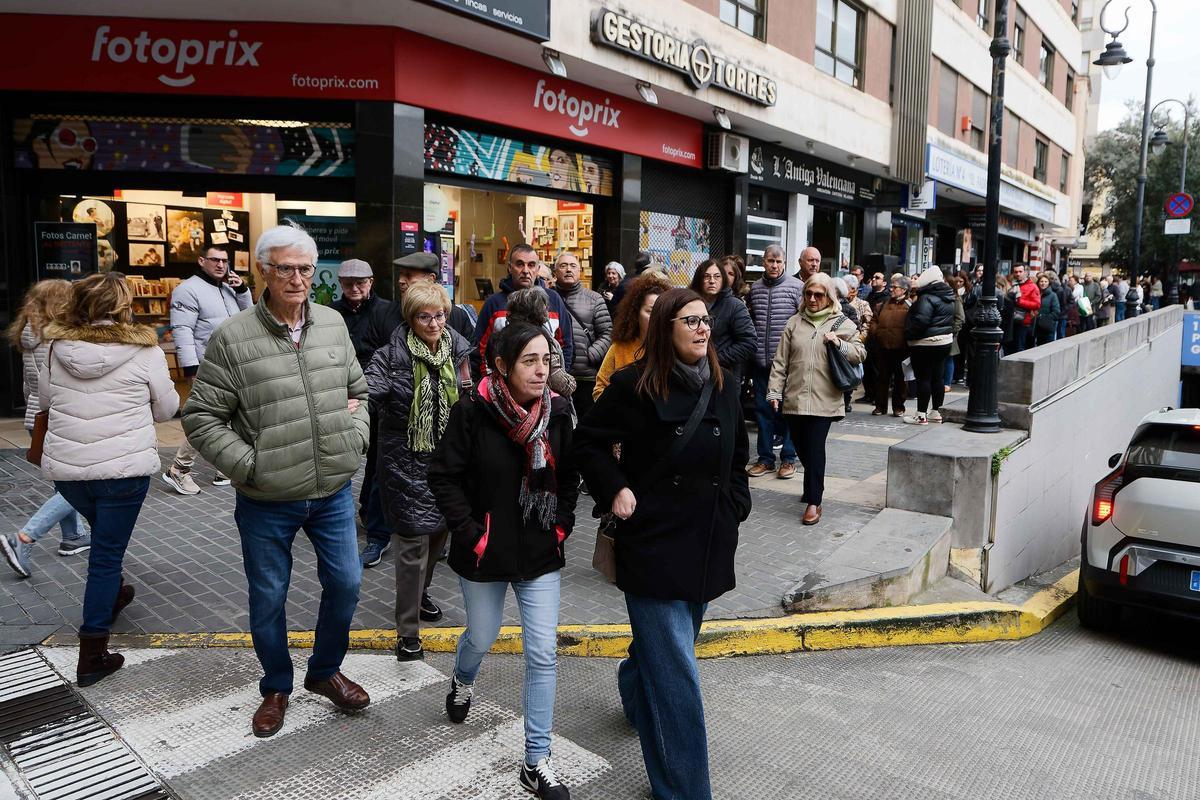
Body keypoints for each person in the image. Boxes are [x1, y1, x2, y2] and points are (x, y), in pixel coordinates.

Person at [182, 224, 372, 738]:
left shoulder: (332, 323)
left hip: (331, 491)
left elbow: (359, 392)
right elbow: (201, 418)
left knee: (347, 584)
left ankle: (325, 671)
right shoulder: (233, 336)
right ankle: (276, 686)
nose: (297, 279)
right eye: (285, 268)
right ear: (263, 270)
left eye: (305, 268)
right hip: (266, 499)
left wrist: (355, 438)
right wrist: (251, 466)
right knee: (269, 597)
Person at [574, 288, 751, 800]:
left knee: (668, 654)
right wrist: (615, 488)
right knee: (677, 677)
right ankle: (684, 790)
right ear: (665, 329)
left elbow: (737, 456)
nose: (702, 328)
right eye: (689, 320)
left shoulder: (724, 383)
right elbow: (587, 441)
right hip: (652, 545)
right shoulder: (633, 384)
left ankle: (635, 687)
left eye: (705, 320)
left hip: (707, 542)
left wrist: (735, 506)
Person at [427, 323, 579, 800]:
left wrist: (560, 526)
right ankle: (462, 678)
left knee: (543, 652)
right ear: (502, 366)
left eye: (546, 360)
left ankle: (536, 760)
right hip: (485, 554)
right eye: (529, 361)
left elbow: (569, 478)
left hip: (540, 552)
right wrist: (473, 535)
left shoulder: (557, 412)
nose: (541, 370)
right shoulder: (472, 411)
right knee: (482, 635)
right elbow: (443, 476)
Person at [38, 272, 179, 685]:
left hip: (69, 473)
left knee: (104, 540)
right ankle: (93, 655)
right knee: (105, 556)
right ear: (123, 306)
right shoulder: (146, 351)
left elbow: (44, 402)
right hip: (123, 472)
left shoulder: (54, 348)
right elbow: (166, 411)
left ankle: (114, 594)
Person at [365, 281, 471, 661]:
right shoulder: (390, 356)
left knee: (439, 534)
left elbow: (472, 396)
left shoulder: (458, 349)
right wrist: (352, 407)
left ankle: (420, 594)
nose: (434, 324)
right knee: (412, 545)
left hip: (449, 463)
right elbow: (368, 391)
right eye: (425, 317)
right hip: (404, 463)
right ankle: (407, 631)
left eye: (440, 315)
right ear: (411, 318)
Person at [2, 280, 91, 580]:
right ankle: (24, 537)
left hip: (36, 418)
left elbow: (30, 387)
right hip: (59, 419)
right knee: (78, 484)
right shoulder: (58, 338)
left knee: (64, 481)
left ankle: (73, 536)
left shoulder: (30, 334)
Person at [767, 273, 865, 524]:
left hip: (825, 400)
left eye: (818, 295)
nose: (812, 299)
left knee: (815, 447)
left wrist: (839, 344)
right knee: (802, 448)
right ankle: (811, 486)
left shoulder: (842, 323)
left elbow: (860, 353)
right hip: (795, 398)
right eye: (808, 294)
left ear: (829, 297)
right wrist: (774, 391)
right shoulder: (794, 323)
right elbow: (780, 361)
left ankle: (814, 501)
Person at [161, 244, 251, 495]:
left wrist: (242, 290)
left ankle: (224, 469)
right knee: (207, 418)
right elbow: (182, 330)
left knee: (231, 414)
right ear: (201, 261)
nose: (221, 265)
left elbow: (250, 317)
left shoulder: (228, 288)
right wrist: (191, 368)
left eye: (224, 260)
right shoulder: (188, 290)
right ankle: (179, 469)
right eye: (215, 260)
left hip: (232, 364)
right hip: (207, 365)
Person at [331, 258, 396, 569]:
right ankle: (350, 511)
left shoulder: (386, 311)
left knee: (377, 457)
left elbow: (390, 353)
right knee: (345, 452)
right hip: (339, 390)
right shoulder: (331, 313)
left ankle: (374, 523)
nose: (355, 288)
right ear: (340, 284)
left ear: (371, 282)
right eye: (348, 283)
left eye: (361, 282)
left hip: (375, 391)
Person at [747, 244, 804, 480]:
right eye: (771, 261)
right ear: (763, 262)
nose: (774, 265)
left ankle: (789, 458)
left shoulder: (796, 287)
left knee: (788, 411)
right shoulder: (755, 289)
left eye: (779, 261)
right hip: (761, 363)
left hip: (787, 364)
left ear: (784, 263)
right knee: (763, 412)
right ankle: (765, 459)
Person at [474, 244, 572, 377]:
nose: (526, 270)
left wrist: (557, 378)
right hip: (503, 382)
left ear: (538, 269)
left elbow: (565, 345)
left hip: (545, 381)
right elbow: (480, 348)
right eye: (520, 264)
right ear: (510, 268)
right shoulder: (494, 303)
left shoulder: (553, 300)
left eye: (531, 265)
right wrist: (488, 381)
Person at [553, 251, 612, 418]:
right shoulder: (547, 298)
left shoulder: (594, 299)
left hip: (586, 377)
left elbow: (608, 332)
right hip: (555, 377)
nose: (568, 270)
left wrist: (590, 354)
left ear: (579, 271)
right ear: (555, 272)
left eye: (573, 266)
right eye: (563, 266)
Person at [594, 273, 668, 400]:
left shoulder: (673, 348)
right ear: (636, 313)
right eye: (650, 311)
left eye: (661, 311)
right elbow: (600, 388)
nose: (656, 317)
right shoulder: (620, 348)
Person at [901, 267, 956, 425]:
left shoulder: (926, 298)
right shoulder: (948, 296)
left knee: (923, 379)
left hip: (925, 343)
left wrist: (908, 335)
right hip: (944, 342)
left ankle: (921, 415)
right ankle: (936, 412)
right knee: (938, 378)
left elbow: (920, 321)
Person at [506, 288, 577, 400]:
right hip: (542, 401)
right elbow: (558, 382)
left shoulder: (505, 335)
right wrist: (571, 382)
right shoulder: (541, 340)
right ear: (539, 311)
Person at [690, 258, 755, 380]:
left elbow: (749, 343)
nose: (712, 281)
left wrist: (716, 359)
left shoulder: (735, 306)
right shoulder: (689, 303)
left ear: (723, 280)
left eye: (717, 276)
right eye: (707, 276)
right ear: (699, 279)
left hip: (724, 375)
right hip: (692, 373)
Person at [868, 275, 911, 416]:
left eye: (895, 287)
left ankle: (898, 407)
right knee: (882, 378)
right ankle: (880, 406)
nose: (891, 289)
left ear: (904, 290)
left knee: (900, 380)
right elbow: (874, 320)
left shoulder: (910, 305)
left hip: (901, 349)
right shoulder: (883, 304)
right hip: (883, 347)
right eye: (891, 286)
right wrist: (876, 332)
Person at [1008, 264, 1041, 353]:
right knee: (1008, 348)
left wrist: (1020, 302)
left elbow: (1037, 305)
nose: (1018, 274)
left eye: (1020, 271)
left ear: (1025, 272)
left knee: (1019, 348)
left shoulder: (1032, 286)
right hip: (1009, 321)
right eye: (1016, 272)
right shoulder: (1010, 284)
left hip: (1023, 321)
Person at [1035, 274, 1061, 346]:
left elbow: (1056, 312)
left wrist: (1043, 317)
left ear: (1049, 283)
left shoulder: (1053, 295)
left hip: (1047, 327)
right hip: (1036, 327)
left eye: (1045, 281)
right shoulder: (1035, 294)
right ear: (1038, 282)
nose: (1043, 283)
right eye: (1041, 281)